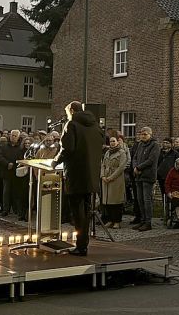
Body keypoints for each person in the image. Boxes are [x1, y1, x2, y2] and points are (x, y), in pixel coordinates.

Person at [53, 100, 105, 255]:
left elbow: (67, 148)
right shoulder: (95, 126)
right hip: (91, 174)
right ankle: (83, 244)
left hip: (76, 173)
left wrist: (55, 161)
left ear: (71, 110)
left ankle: (81, 246)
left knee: (77, 211)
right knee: (87, 210)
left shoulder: (72, 125)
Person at [131, 127, 160, 231]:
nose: (143, 136)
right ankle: (142, 220)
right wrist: (135, 167)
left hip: (148, 175)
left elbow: (151, 160)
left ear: (150, 135)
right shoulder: (140, 144)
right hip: (138, 175)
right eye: (142, 134)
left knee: (147, 199)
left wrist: (139, 167)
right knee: (140, 199)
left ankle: (148, 222)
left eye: (145, 134)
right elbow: (134, 157)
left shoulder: (155, 145)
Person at [101, 136, 129, 228]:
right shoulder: (107, 152)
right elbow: (103, 165)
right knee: (107, 201)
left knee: (116, 201)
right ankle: (109, 219)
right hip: (106, 179)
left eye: (114, 141)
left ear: (117, 142)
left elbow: (121, 167)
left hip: (116, 179)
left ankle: (117, 221)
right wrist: (103, 176)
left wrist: (111, 177)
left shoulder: (122, 153)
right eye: (111, 141)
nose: (112, 143)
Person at [0, 130, 25, 218]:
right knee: (6, 192)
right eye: (12, 135)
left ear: (18, 137)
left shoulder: (20, 148)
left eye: (15, 136)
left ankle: (16, 209)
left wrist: (13, 165)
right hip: (6, 172)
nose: (13, 137)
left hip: (16, 172)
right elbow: (0, 157)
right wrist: (7, 163)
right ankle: (5, 210)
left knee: (16, 192)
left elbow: (22, 159)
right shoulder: (4, 147)